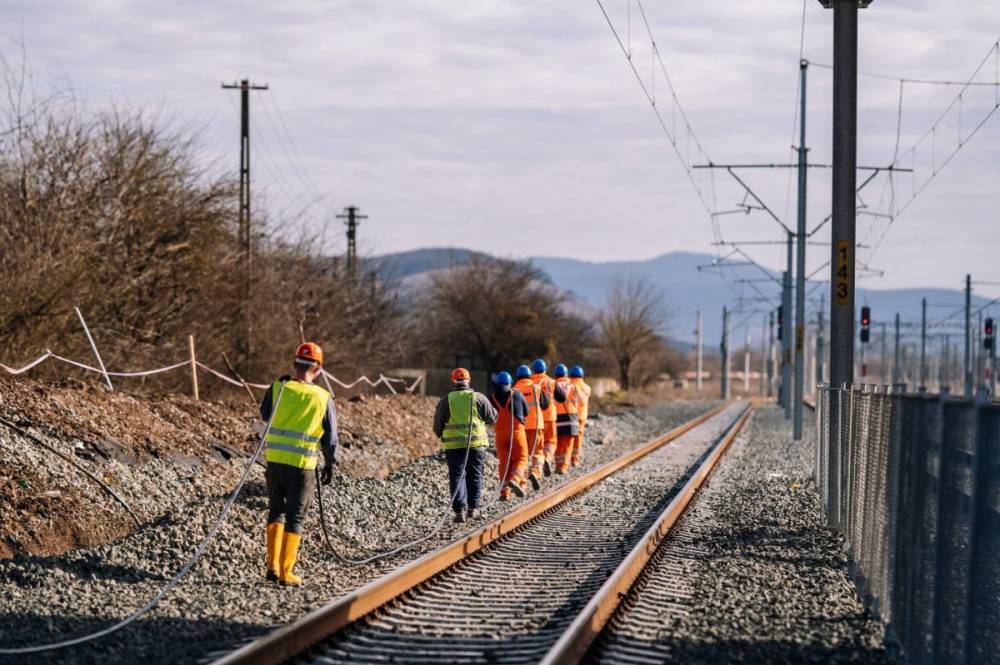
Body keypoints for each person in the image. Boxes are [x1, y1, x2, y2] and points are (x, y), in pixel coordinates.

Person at [259, 342, 338, 587]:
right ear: (319, 368)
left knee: (275, 510)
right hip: (302, 465)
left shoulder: (278, 388)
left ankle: (271, 565)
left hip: (274, 462)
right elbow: (331, 436)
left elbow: (265, 414)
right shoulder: (323, 397)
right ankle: (286, 572)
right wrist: (330, 463)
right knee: (295, 516)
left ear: (295, 363)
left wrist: (283, 390)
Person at [433, 368, 497, 523]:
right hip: (476, 445)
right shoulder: (479, 398)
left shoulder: (446, 400)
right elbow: (492, 418)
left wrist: (442, 434)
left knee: (457, 475)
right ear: (469, 380)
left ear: (453, 381)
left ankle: (459, 510)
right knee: (475, 474)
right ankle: (473, 508)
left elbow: (437, 425)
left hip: (454, 446)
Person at [490, 371, 529, 500]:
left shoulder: (492, 397)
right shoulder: (516, 394)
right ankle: (516, 479)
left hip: (500, 434)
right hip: (516, 432)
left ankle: (504, 492)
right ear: (510, 383)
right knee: (521, 459)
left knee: (504, 462)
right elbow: (526, 412)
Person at [514, 364, 549, 490]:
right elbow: (545, 404)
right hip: (536, 425)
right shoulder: (536, 387)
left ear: (517, 377)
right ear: (530, 375)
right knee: (538, 452)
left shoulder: (514, 389)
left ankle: (521, 481)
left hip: (521, 426)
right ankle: (535, 473)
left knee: (522, 455)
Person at [530, 358, 566, 477]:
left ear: (533, 370)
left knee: (537, 446)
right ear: (545, 369)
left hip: (535, 419)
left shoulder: (529, 382)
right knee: (550, 442)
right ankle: (548, 458)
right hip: (550, 417)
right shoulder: (551, 381)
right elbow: (562, 397)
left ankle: (536, 471)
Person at [552, 364, 580, 474]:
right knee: (568, 443)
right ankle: (563, 466)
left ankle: (557, 465)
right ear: (566, 374)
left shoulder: (552, 385)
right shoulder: (572, 385)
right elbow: (579, 401)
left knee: (558, 442)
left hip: (556, 418)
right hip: (570, 417)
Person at [569, 365, 592, 464]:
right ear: (582, 376)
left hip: (570, 415)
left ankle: (566, 458)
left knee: (569, 437)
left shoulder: (569, 386)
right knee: (578, 438)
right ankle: (575, 459)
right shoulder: (587, 387)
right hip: (581, 416)